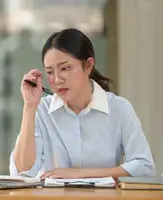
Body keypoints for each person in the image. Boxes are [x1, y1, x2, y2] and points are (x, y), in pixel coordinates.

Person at [9, 28, 155, 180]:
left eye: (65, 68)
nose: (57, 80)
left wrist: (81, 174)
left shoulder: (119, 109)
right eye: (50, 72)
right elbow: (21, 172)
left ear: (88, 65)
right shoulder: (41, 110)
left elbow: (144, 167)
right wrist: (30, 106)